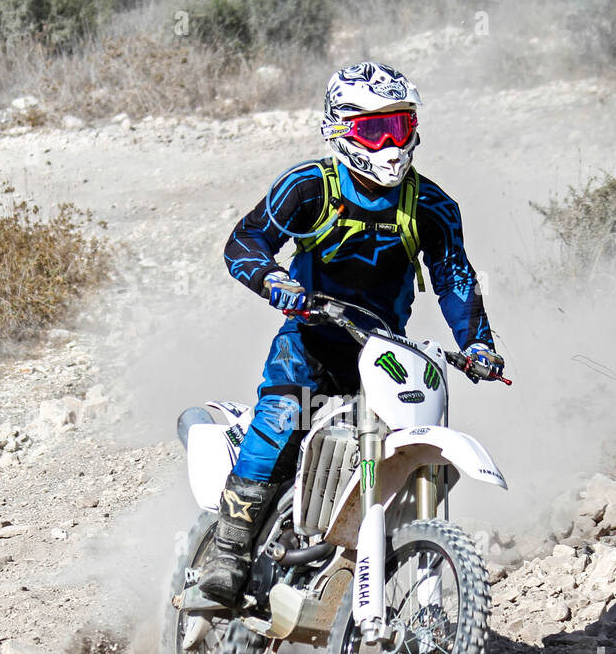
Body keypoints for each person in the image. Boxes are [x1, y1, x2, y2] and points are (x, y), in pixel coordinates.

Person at [198, 61, 504, 607]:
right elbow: (244, 241)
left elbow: (454, 276)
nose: (391, 143)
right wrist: (272, 278)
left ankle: (365, 559)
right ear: (339, 129)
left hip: (383, 352)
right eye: (373, 130)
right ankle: (228, 553)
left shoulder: (431, 206)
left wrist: (478, 342)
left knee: (402, 439)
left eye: (400, 126)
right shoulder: (308, 187)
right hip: (309, 343)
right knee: (279, 422)